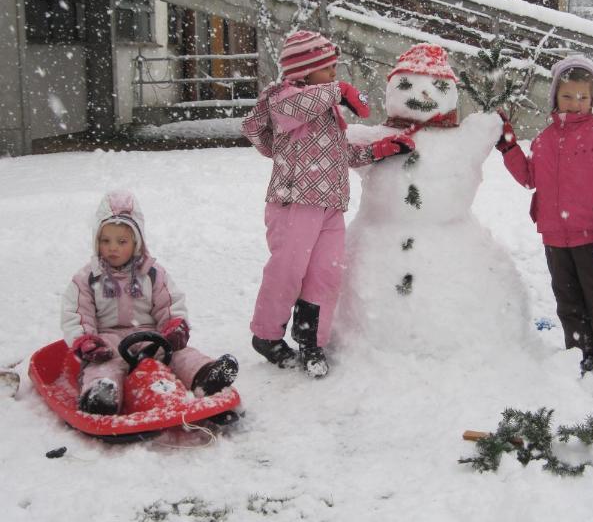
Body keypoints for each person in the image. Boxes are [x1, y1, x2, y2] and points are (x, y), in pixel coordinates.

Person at [242, 29, 415, 377]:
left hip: (330, 205)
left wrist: (377, 151)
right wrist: (339, 91)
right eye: (328, 68)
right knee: (288, 272)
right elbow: (291, 108)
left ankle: (311, 341)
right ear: (304, 71)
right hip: (294, 204)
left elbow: (339, 153)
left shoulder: (326, 112)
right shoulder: (283, 98)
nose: (335, 74)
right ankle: (266, 334)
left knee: (326, 274)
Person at [495, 54, 593, 384]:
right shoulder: (544, 140)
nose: (575, 103)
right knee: (567, 296)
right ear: (555, 95)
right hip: (554, 234)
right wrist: (508, 148)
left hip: (592, 231)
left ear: (592, 98)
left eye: (583, 97)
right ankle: (580, 351)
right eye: (567, 96)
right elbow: (530, 177)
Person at [61, 190, 238, 414]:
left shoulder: (152, 274)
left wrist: (174, 326)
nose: (112, 247)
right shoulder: (87, 278)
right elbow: (77, 313)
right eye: (105, 241)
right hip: (107, 341)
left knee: (180, 355)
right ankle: (101, 395)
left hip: (150, 335)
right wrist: (86, 340)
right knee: (104, 367)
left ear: (136, 242)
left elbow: (169, 303)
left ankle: (206, 376)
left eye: (121, 241)